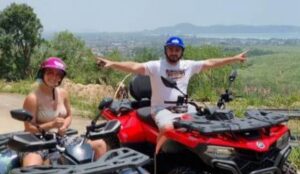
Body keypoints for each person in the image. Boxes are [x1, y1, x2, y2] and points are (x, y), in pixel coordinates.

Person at [97, 36, 247, 153]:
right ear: (166, 50)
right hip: (161, 109)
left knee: (205, 124)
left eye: (177, 50)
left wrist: (233, 58)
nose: (174, 52)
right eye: (171, 49)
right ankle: (159, 156)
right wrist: (113, 63)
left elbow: (210, 63)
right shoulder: (156, 66)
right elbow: (135, 66)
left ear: (182, 51)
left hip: (184, 108)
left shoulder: (188, 66)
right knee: (168, 128)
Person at [22, 57, 107, 166]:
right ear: (42, 73)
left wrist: (64, 126)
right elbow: (29, 128)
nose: (54, 77)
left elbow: (69, 116)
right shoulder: (33, 98)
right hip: (37, 140)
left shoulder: (63, 93)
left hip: (60, 138)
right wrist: (51, 124)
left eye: (58, 74)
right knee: (31, 167)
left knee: (100, 144)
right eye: (50, 73)